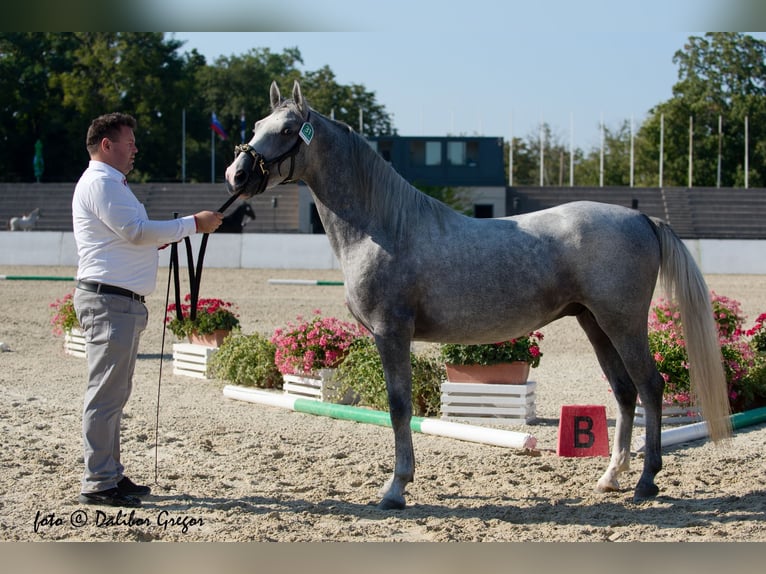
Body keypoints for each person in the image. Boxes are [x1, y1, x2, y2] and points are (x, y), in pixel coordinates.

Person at [72, 112, 223, 507]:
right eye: (129, 142)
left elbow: (133, 237)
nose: (135, 148)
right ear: (107, 144)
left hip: (118, 300)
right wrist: (192, 224)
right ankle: (98, 480)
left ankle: (109, 473)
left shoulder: (111, 184)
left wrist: (173, 234)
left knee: (113, 394)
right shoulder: (103, 183)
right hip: (110, 301)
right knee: (106, 394)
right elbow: (137, 232)